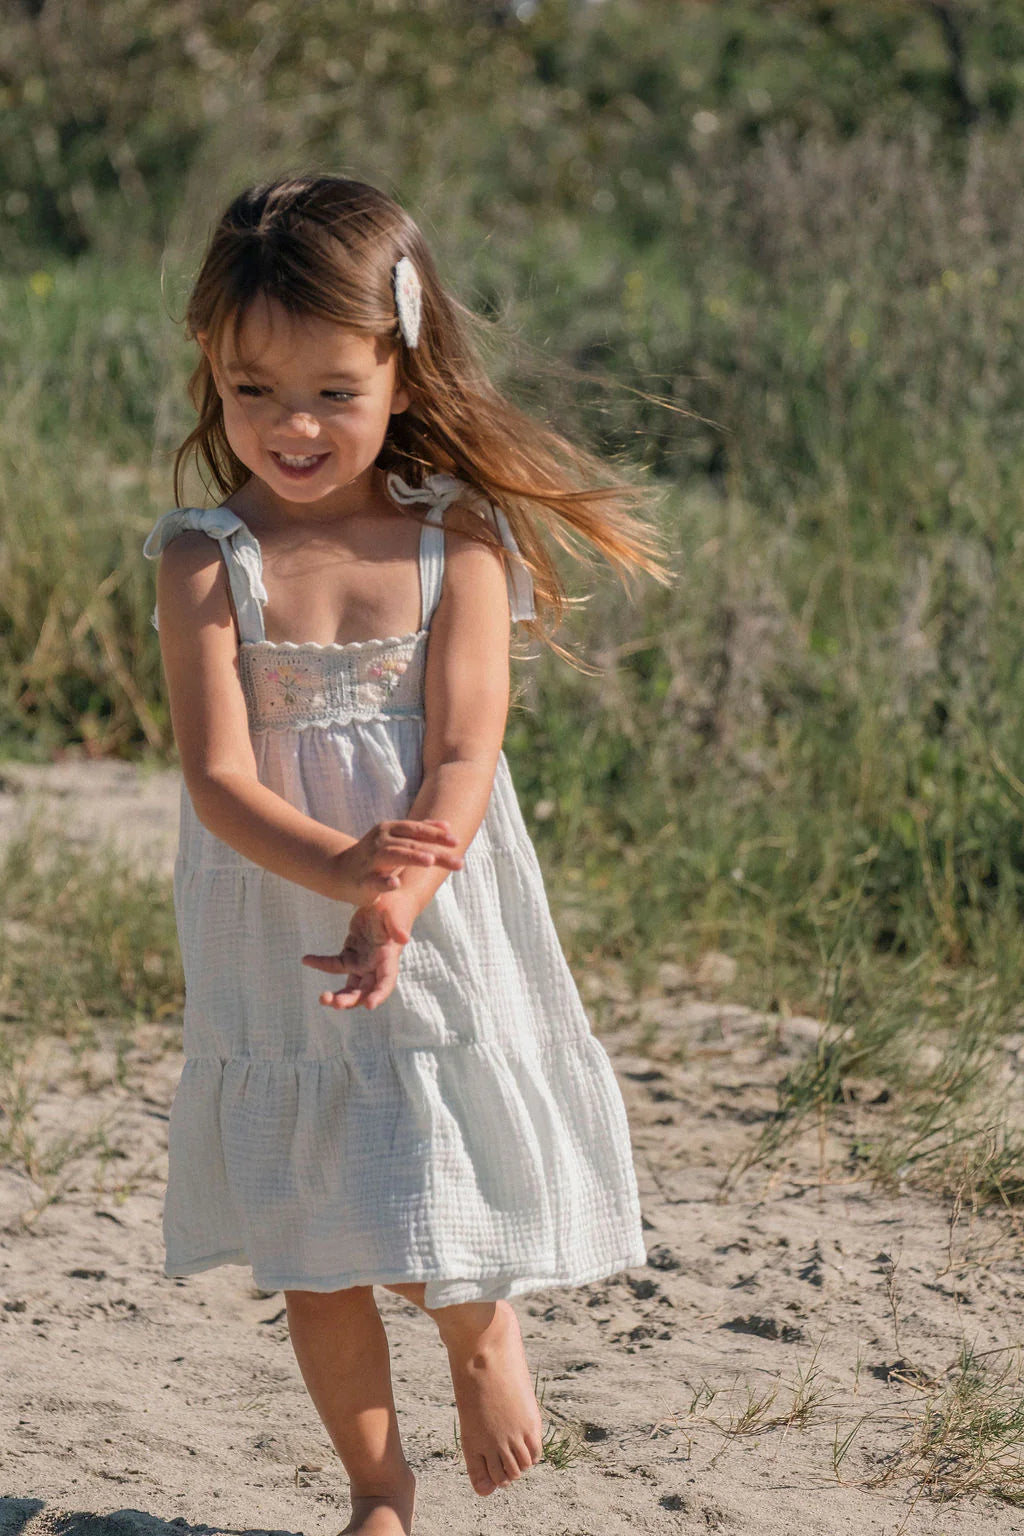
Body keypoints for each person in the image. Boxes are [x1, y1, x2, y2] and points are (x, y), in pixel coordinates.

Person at [143, 175, 669, 1536]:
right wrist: (340, 873)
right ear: (211, 366)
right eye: (255, 391)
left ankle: (481, 1334)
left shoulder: (456, 544)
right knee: (309, 1229)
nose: (293, 426)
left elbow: (463, 757)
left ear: (403, 365)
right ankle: (377, 1488)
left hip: (431, 900)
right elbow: (218, 779)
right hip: (279, 910)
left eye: (333, 390)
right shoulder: (205, 559)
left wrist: (397, 895)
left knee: (429, 1147)